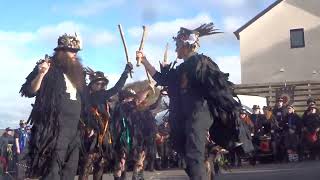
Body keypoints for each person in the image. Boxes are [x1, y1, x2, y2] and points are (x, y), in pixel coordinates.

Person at [136, 22, 240, 179]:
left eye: (178, 44)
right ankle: (206, 162)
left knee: (193, 155)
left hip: (198, 114)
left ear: (186, 45)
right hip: (184, 117)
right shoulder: (183, 68)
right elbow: (163, 79)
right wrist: (144, 61)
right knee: (181, 147)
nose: (176, 48)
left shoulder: (201, 63)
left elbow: (218, 89)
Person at [20, 33, 87, 180]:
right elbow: (29, 91)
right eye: (72, 51)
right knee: (52, 172)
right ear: (61, 52)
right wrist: (41, 74)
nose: (75, 55)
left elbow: (86, 100)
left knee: (70, 170)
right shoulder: (47, 67)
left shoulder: (77, 74)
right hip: (55, 129)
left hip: (74, 130)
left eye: (76, 52)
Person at [79, 66, 132, 180]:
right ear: (92, 84)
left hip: (104, 140)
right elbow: (117, 88)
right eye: (97, 83)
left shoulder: (103, 99)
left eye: (102, 84)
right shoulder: (90, 96)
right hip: (90, 138)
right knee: (86, 168)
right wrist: (125, 72)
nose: (100, 86)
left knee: (100, 167)